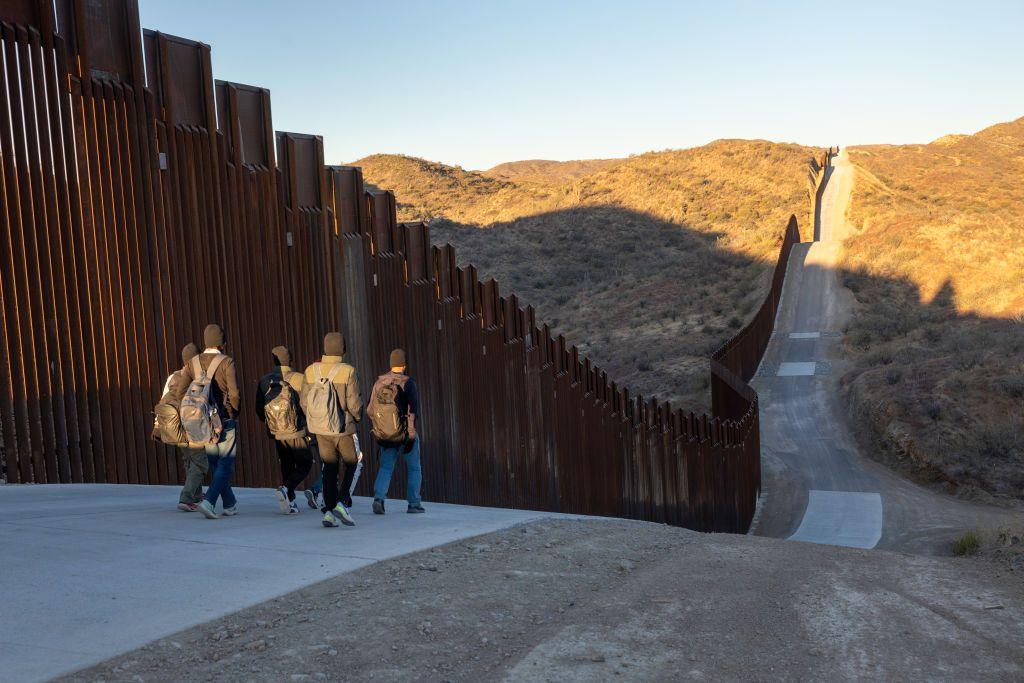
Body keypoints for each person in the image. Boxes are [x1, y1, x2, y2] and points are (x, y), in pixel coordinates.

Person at [301, 332, 362, 528]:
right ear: (343, 349)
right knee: (354, 462)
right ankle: (342, 502)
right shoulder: (348, 371)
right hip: (343, 429)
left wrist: (316, 420)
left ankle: (328, 512)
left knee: (329, 467)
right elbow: (354, 403)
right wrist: (357, 418)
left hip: (320, 428)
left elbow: (304, 402)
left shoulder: (310, 371)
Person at [189, 324, 241, 519]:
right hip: (224, 419)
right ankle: (209, 501)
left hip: (201, 422)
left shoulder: (193, 363)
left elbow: (181, 389)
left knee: (215, 462)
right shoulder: (226, 362)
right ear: (222, 343)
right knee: (226, 464)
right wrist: (234, 413)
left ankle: (230, 503)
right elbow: (234, 393)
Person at [255, 345, 312, 515]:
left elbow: (259, 408)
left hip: (276, 431)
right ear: (291, 360)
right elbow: (307, 405)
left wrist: (270, 423)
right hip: (296, 430)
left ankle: (290, 501)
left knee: (286, 464)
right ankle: (286, 488)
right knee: (305, 463)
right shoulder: (300, 379)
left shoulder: (265, 380)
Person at [152, 343, 208, 511]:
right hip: (192, 425)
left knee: (188, 460)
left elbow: (163, 400)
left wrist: (157, 426)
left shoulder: (173, 376)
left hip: (174, 426)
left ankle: (196, 494)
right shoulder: (200, 376)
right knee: (200, 463)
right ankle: (187, 498)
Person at [368, 348, 424, 514]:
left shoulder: (380, 382)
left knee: (386, 467)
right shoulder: (408, 383)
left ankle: (379, 499)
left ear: (391, 364)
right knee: (414, 468)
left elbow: (370, 410)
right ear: (404, 365)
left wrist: (381, 427)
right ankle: (413, 504)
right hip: (406, 434)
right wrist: (411, 434)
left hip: (386, 435)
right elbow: (412, 411)